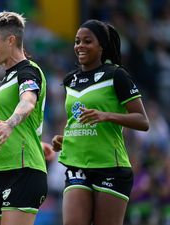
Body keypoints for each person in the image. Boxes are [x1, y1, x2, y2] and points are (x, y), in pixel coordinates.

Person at [51, 19, 149, 225]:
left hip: (110, 166)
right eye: (77, 41)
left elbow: (142, 121)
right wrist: (65, 138)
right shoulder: (70, 81)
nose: (80, 46)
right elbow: (76, 120)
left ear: (101, 46)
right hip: (77, 162)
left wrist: (107, 115)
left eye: (87, 41)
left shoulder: (116, 75)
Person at [0, 11, 48, 225]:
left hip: (23, 170)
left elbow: (28, 100)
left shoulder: (28, 71)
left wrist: (10, 124)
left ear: (11, 40)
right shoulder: (6, 78)